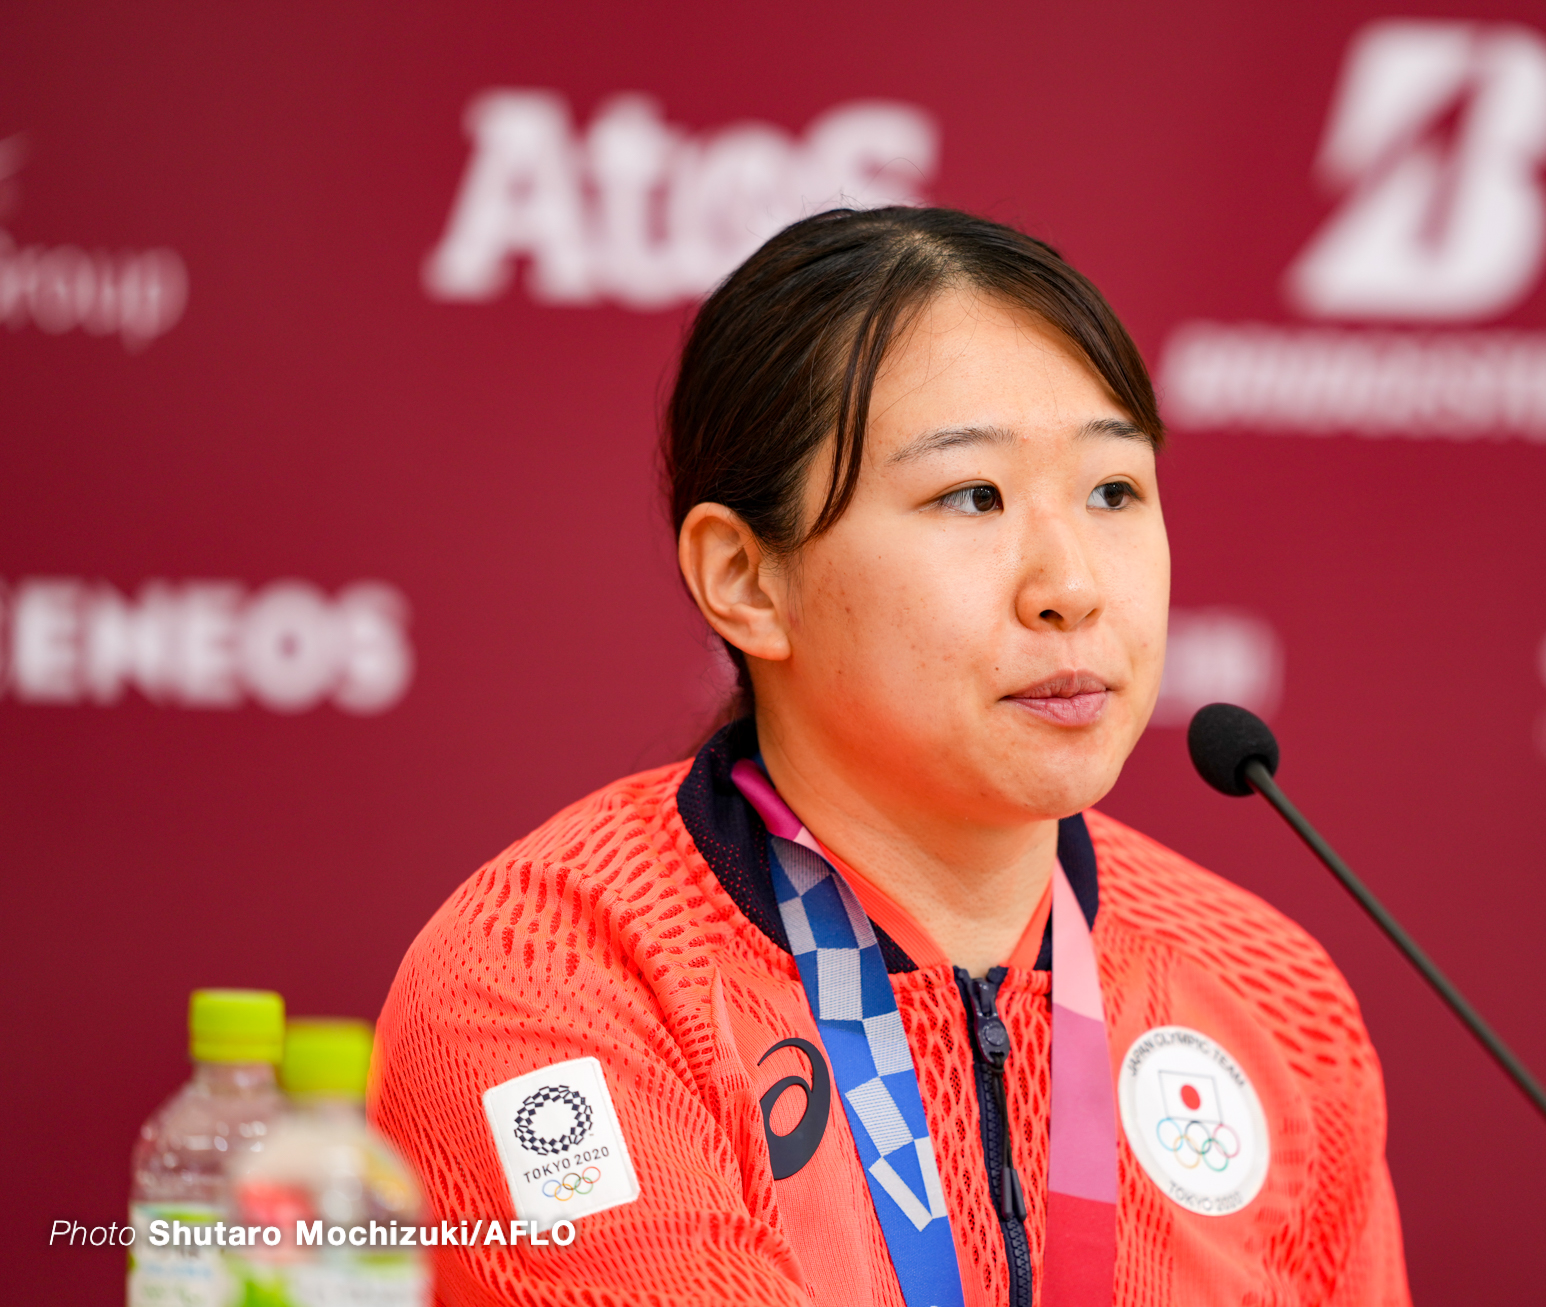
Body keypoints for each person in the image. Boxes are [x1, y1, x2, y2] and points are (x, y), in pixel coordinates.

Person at [370, 206, 1408, 1307]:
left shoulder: (1270, 992)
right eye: (972, 495)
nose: (1071, 585)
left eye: (1113, 489)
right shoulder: (551, 973)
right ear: (745, 579)